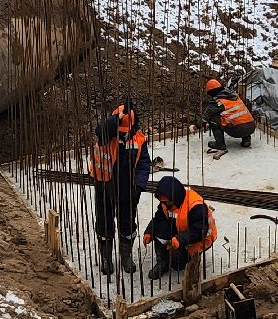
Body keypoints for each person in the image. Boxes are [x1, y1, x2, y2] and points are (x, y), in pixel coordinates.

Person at [89, 101, 150, 276]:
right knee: (104, 222)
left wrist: (139, 185)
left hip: (127, 188)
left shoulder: (138, 139)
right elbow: (100, 131)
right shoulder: (107, 134)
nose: (123, 135)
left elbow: (144, 164)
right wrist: (118, 118)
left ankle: (126, 255)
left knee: (127, 223)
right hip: (104, 185)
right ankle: (106, 257)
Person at [142, 175, 218, 281]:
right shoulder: (166, 202)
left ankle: (189, 260)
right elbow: (159, 218)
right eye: (162, 201)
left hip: (201, 239)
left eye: (166, 201)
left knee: (177, 264)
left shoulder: (195, 205)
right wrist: (149, 231)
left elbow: (199, 230)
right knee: (160, 229)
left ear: (175, 197)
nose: (164, 204)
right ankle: (163, 262)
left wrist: (180, 239)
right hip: (182, 230)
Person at [202, 77, 256, 152]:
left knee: (213, 118)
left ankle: (220, 144)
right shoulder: (235, 96)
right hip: (251, 127)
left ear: (211, 93)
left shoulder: (218, 102)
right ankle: (246, 139)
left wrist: (195, 126)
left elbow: (206, 117)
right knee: (240, 118)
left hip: (238, 130)